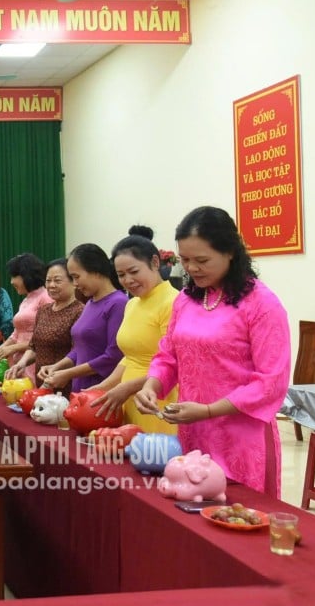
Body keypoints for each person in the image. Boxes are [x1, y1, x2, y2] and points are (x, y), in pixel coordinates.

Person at [134, 206, 290, 497]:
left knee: (235, 519)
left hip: (241, 436)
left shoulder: (261, 304)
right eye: (185, 260)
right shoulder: (186, 300)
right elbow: (168, 355)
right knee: (191, 511)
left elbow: (270, 382)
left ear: (230, 251)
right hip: (193, 428)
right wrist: (152, 385)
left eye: (202, 260)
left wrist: (208, 411)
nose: (192, 269)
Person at [90, 235, 179, 433]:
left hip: (157, 399)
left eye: (133, 271)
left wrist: (128, 388)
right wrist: (102, 389)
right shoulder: (131, 304)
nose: (127, 280)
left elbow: (176, 364)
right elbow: (130, 358)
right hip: (127, 398)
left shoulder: (173, 303)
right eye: (121, 275)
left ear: (155, 263)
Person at [39, 244, 127, 392]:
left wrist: (68, 373)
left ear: (96, 271)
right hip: (81, 387)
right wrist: (57, 366)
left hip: (102, 389)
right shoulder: (90, 303)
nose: (75, 284)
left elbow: (113, 356)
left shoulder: (118, 303)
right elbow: (81, 347)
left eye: (76, 277)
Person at [5, 258, 84, 394]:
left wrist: (57, 369)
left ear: (74, 282)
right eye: (48, 281)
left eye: (57, 281)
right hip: (41, 380)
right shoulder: (44, 310)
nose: (51, 285)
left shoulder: (80, 311)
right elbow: (33, 346)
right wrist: (22, 363)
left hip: (64, 380)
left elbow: (77, 352)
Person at [0, 254, 52, 380]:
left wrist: (12, 348)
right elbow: (16, 334)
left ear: (27, 276)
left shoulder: (45, 297)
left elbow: (43, 339)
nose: (11, 281)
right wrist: (0, 349)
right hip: (20, 363)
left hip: (34, 362)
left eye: (14, 276)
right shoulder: (26, 300)